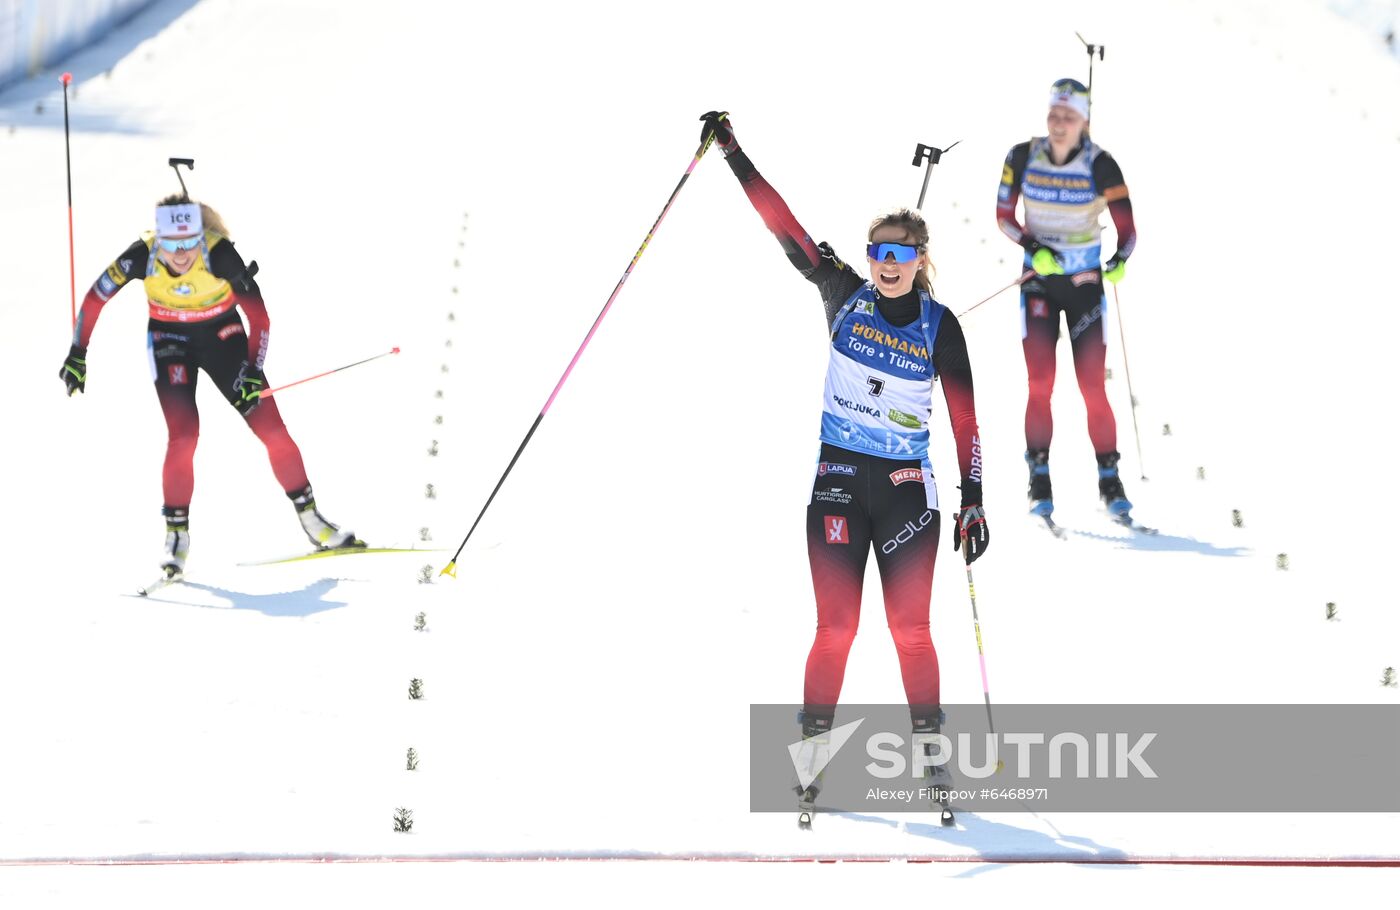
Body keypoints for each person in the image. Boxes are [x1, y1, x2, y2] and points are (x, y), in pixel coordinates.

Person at [701, 111, 988, 818]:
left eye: (900, 254)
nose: (887, 265)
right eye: (878, 253)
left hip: (906, 496)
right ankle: (811, 761)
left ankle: (931, 759)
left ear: (921, 258)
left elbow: (966, 421)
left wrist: (975, 496)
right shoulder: (841, 293)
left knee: (911, 630)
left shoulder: (940, 326)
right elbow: (785, 226)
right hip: (836, 487)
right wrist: (734, 154)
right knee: (835, 629)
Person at [59, 193, 360, 577]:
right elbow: (95, 297)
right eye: (171, 244)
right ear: (159, 238)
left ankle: (313, 519)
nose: (181, 254)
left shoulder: (220, 254)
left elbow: (260, 317)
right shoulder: (141, 254)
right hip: (171, 344)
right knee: (184, 436)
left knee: (271, 429)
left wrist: (254, 368)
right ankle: (176, 537)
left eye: (189, 243)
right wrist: (78, 352)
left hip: (224, 339)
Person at [996, 77, 1138, 520]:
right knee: (1040, 382)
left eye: (1069, 117)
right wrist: (1034, 249)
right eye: (1054, 115)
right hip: (1039, 280)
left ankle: (1109, 478)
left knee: (1092, 385)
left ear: (1084, 120)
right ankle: (1039, 475)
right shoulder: (1022, 156)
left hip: (1084, 285)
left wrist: (1120, 259)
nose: (1059, 124)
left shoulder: (1102, 165)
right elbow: (1003, 217)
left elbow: (1129, 230)